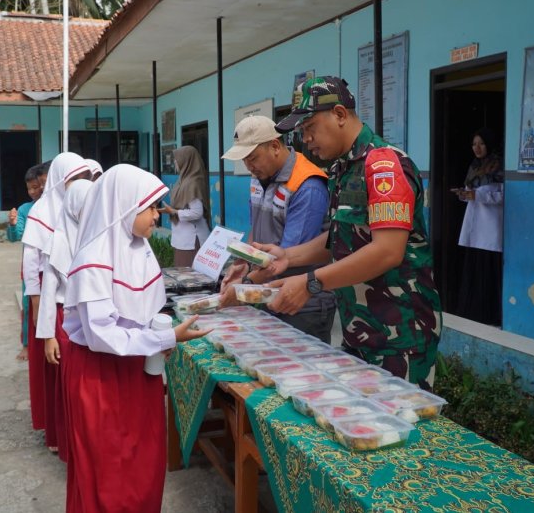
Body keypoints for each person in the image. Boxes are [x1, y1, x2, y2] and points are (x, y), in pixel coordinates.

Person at [260, 76, 442, 389]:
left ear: (341, 115)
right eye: (301, 133)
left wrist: (312, 283)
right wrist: (287, 257)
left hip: (398, 337)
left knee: (397, 432)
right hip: (360, 332)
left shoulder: (384, 165)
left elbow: (387, 250)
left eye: (310, 128)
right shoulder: (343, 169)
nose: (306, 140)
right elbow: (341, 239)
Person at [62, 164, 210, 513]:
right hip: (101, 376)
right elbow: (101, 334)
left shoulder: (139, 249)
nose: (157, 216)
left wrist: (160, 337)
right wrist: (163, 340)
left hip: (137, 369)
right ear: (123, 206)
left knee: (143, 462)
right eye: (150, 207)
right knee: (109, 469)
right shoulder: (93, 260)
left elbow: (145, 310)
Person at [218, 115, 336, 343]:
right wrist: (242, 262)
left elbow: (285, 258)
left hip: (303, 304)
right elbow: (258, 229)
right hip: (269, 293)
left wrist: (246, 285)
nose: (249, 166)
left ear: (274, 146)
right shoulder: (259, 178)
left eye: (252, 158)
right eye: (244, 160)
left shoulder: (307, 186)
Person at [21, 152, 91, 452]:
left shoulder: (85, 207)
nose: (81, 185)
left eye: (85, 179)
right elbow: (31, 264)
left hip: (81, 301)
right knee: (55, 370)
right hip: (53, 303)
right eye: (74, 179)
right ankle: (56, 430)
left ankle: (74, 432)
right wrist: (37, 307)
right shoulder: (42, 212)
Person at [35, 178, 92, 464]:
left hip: (91, 319)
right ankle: (68, 444)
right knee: (69, 387)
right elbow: (47, 293)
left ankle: (87, 445)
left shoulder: (98, 235)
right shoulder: (58, 240)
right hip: (64, 320)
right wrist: (48, 336)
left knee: (87, 390)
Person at [452, 129, 504, 326]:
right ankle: (474, 314)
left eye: (481, 143)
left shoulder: (499, 167)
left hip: (490, 230)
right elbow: (472, 194)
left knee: (488, 272)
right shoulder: (474, 167)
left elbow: (504, 197)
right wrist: (464, 195)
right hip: (474, 228)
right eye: (474, 144)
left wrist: (478, 196)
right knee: (474, 271)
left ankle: (490, 316)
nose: (477, 148)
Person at [7, 162, 49, 361]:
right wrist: (14, 224)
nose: (33, 192)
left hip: (52, 263)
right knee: (28, 303)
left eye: (37, 187)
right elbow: (17, 236)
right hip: (32, 265)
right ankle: (27, 343)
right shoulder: (25, 209)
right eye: (29, 188)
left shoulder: (54, 205)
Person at [158, 146, 210, 267]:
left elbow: (197, 212)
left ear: (186, 161)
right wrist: (170, 211)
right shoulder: (183, 180)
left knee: (189, 276)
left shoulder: (192, 182)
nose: (175, 162)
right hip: (182, 237)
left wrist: (174, 212)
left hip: (192, 240)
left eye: (178, 159)